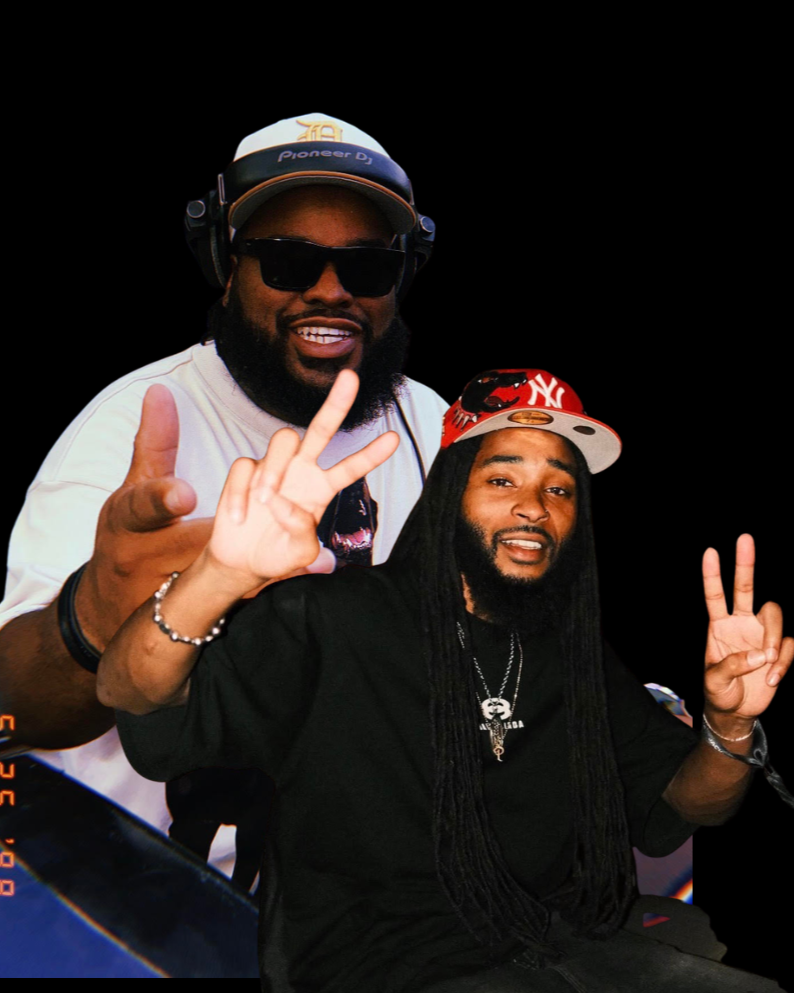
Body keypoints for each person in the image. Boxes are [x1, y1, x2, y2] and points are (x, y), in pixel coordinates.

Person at [99, 368, 790, 992]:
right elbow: (129, 691)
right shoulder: (330, 619)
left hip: (561, 946)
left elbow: (686, 801)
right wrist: (218, 575)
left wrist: (730, 723)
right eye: (502, 480)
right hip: (372, 965)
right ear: (450, 491)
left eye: (559, 488)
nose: (534, 506)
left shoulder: (575, 655)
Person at [0, 113, 447, 877]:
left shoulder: (433, 428)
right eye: (288, 260)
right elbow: (11, 707)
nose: (331, 290)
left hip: (353, 898)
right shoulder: (136, 424)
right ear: (226, 264)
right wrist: (91, 619)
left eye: (367, 266)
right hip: (143, 897)